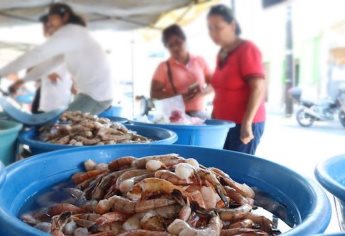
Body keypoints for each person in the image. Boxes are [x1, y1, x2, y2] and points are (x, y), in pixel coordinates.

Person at [0, 3, 113, 115]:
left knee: (61, 126)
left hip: (96, 95)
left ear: (65, 16)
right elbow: (47, 66)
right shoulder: (73, 36)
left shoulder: (70, 32)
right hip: (92, 94)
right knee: (62, 126)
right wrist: (22, 81)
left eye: (53, 19)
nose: (50, 24)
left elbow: (37, 54)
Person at [207, 4, 266, 155]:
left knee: (236, 170)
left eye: (218, 27)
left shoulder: (247, 49)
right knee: (221, 167)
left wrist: (247, 123)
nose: (213, 33)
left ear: (232, 25)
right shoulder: (221, 53)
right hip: (223, 125)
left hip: (244, 124)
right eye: (210, 28)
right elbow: (221, 89)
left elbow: (258, 88)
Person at [11, 14, 74, 113]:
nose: (47, 29)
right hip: (44, 100)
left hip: (61, 102)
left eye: (51, 25)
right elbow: (29, 70)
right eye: (46, 26)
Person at [150, 24, 213, 118]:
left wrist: (203, 91)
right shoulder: (163, 66)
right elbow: (154, 93)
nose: (175, 48)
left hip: (199, 114)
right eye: (171, 45)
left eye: (178, 42)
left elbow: (214, 83)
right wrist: (176, 97)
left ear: (185, 40)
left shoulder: (199, 60)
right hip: (175, 116)